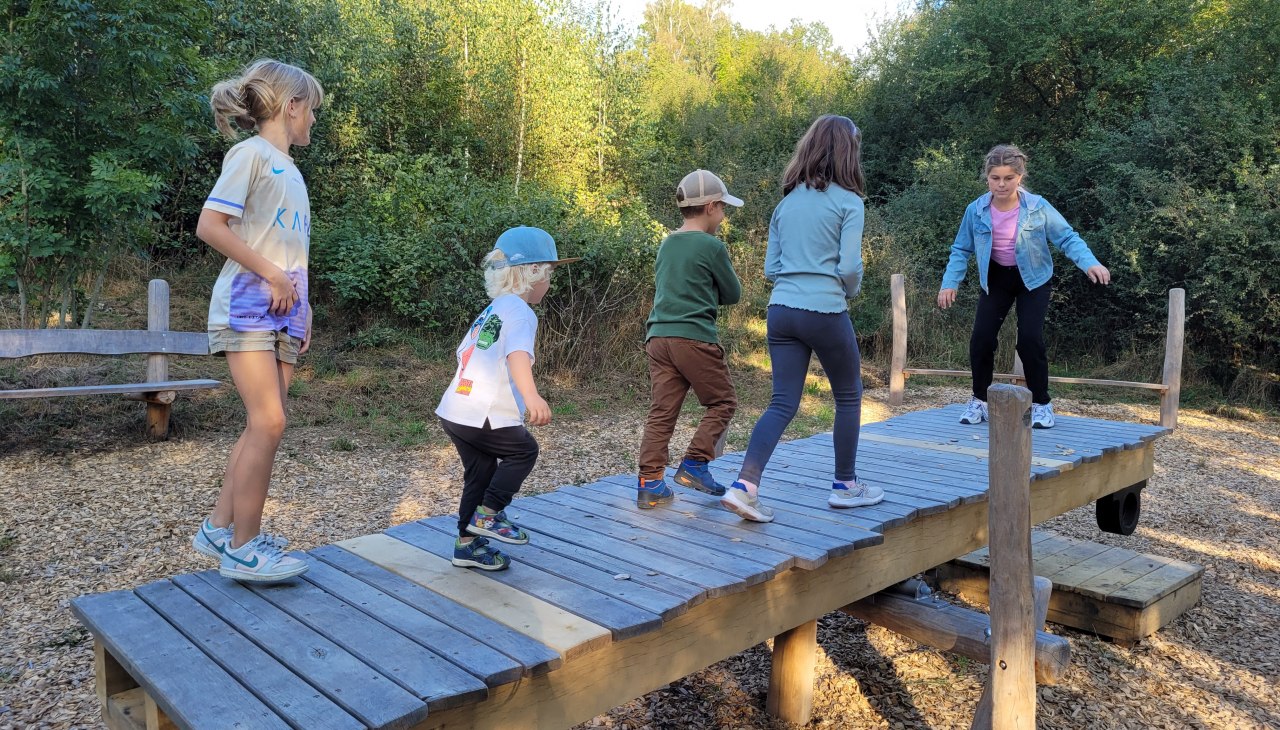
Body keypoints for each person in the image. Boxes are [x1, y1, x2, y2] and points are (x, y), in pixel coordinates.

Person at [191, 59, 323, 583]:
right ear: (291, 107)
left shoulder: (292, 171)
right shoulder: (250, 155)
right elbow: (210, 225)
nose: (314, 120)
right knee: (269, 421)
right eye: (311, 109)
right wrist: (271, 274)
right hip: (248, 303)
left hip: (284, 309)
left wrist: (305, 304)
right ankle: (244, 548)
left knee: (263, 424)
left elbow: (291, 248)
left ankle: (219, 528)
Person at [722, 115, 885, 524]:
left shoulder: (786, 202)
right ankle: (846, 486)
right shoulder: (849, 202)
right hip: (825, 309)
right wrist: (847, 290)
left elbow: (771, 268)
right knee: (848, 395)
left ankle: (744, 487)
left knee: (782, 402)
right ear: (849, 152)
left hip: (781, 311)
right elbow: (849, 266)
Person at [937, 144, 1111, 429]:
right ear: (987, 178)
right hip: (996, 279)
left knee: (1029, 339)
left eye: (1008, 178)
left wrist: (1089, 263)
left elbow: (1067, 237)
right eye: (995, 178)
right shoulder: (976, 210)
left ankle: (1041, 404)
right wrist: (949, 283)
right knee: (981, 339)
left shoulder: (1038, 207)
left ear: (1020, 177)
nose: (1001, 184)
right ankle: (979, 400)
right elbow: (960, 248)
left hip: (1033, 279)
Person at [436, 227, 579, 571]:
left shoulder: (495, 308)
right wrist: (532, 397)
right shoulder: (520, 312)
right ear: (532, 273)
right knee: (524, 451)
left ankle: (466, 545)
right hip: (482, 411)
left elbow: (466, 353)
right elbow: (517, 354)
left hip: (456, 409)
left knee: (481, 471)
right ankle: (487, 515)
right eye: (549, 274)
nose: (550, 283)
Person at [636, 170, 743, 509]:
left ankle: (650, 483)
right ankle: (695, 464)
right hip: (694, 338)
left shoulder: (667, 243)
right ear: (711, 207)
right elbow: (733, 293)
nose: (724, 216)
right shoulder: (712, 246)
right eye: (723, 208)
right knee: (722, 402)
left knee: (662, 411)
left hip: (658, 337)